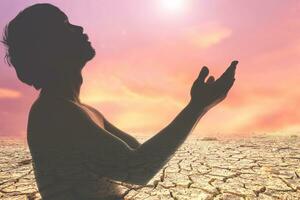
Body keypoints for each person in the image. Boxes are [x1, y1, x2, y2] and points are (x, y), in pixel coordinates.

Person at [2, 3, 238, 200]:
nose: (79, 27)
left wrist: (198, 106)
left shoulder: (80, 109)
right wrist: (197, 107)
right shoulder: (54, 112)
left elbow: (136, 151)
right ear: (48, 48)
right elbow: (137, 169)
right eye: (64, 26)